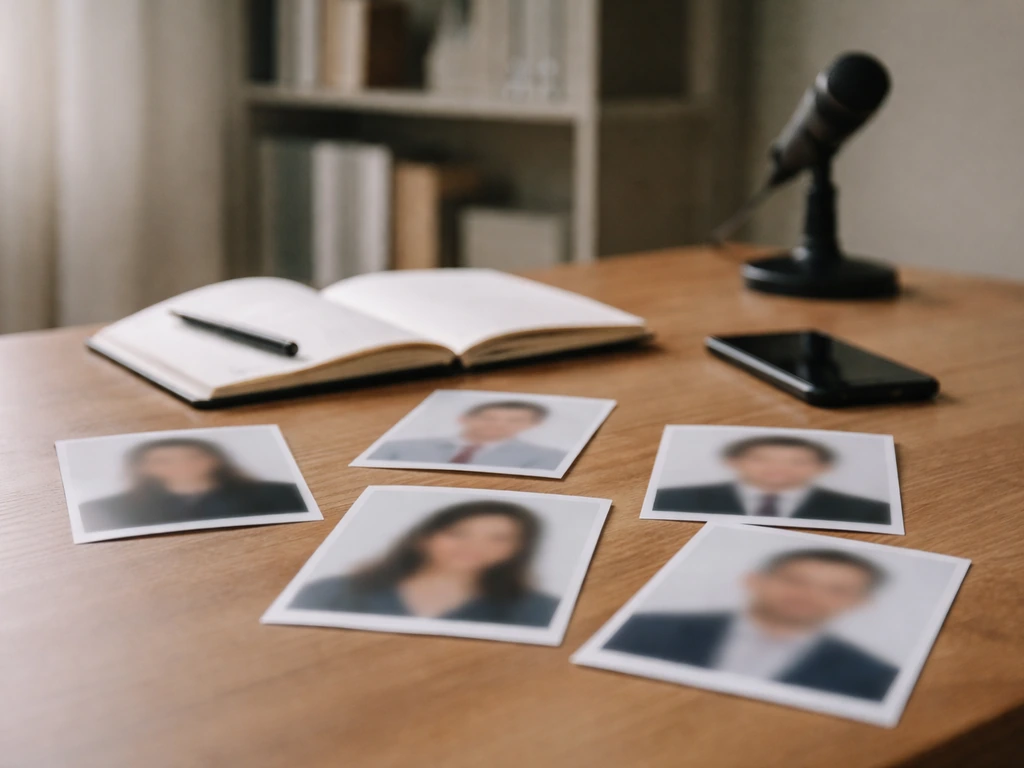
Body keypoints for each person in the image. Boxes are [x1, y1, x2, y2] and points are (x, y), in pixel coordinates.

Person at [604, 549, 899, 700]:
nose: (810, 595)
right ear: (754, 581)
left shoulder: (874, 677)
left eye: (837, 590)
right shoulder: (644, 629)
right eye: (795, 581)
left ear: (861, 603)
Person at [290, 500, 559, 627]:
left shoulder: (539, 609)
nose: (475, 547)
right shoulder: (330, 591)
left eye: (499, 539)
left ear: (518, 550)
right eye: (458, 533)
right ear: (424, 538)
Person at [78, 438, 307, 532]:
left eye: (193, 457)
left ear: (215, 459)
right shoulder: (104, 510)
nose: (182, 465)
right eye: (162, 461)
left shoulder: (282, 494)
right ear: (142, 468)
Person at [654, 435, 890, 524]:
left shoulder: (870, 511)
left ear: (823, 467)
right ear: (733, 461)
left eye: (798, 461)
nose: (778, 468)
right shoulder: (671, 499)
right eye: (761, 459)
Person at [368, 400, 566, 471]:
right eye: (489, 417)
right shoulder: (397, 447)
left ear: (533, 425)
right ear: (464, 418)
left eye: (515, 420)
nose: (499, 425)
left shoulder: (548, 458)